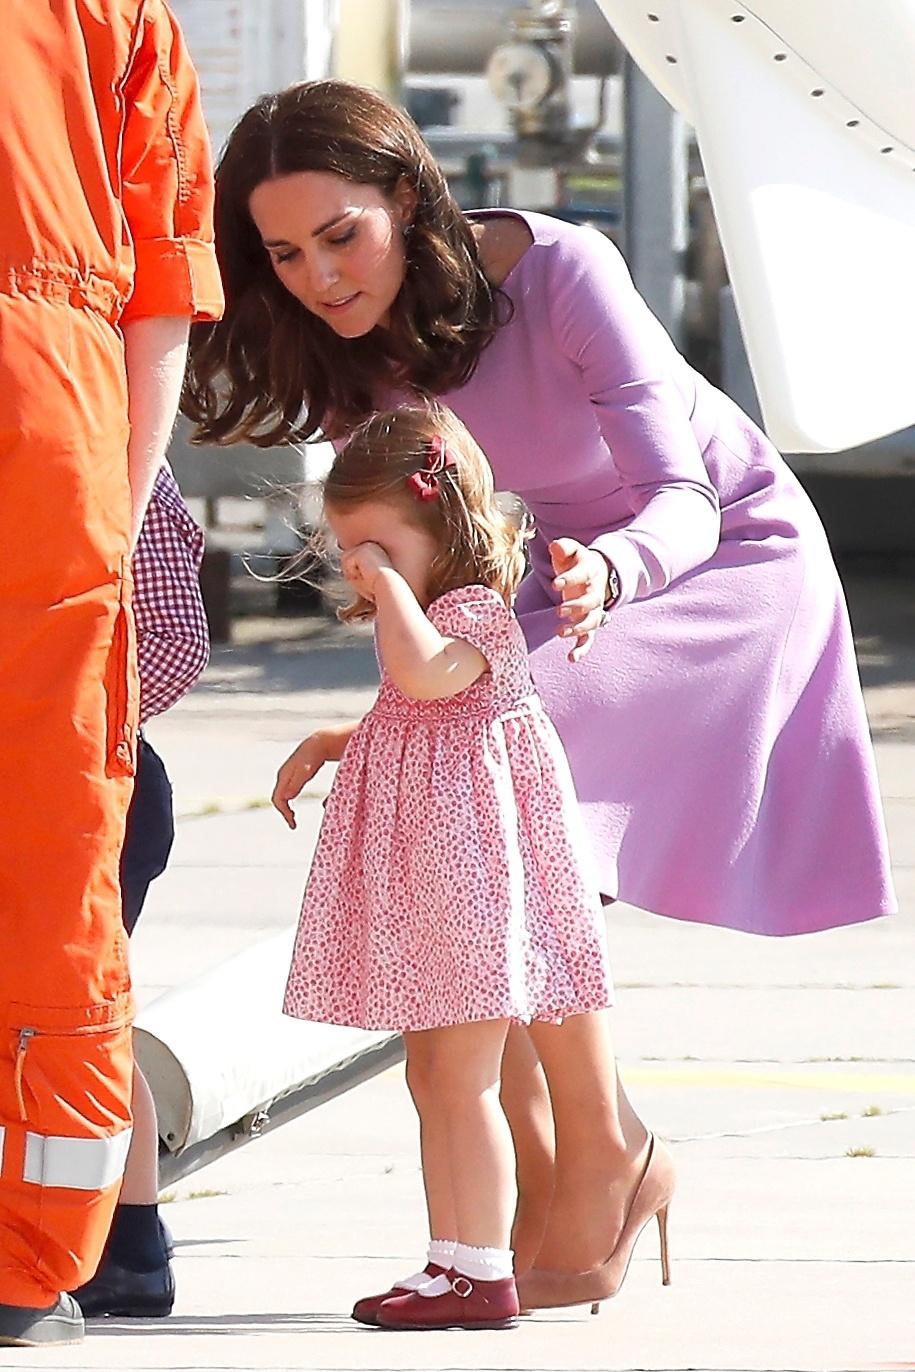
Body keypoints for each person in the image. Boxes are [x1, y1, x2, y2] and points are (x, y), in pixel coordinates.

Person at [182, 78, 895, 1310]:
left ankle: (602, 1148)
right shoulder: (360, 346)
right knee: (476, 829)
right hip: (549, 584)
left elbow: (683, 493)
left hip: (714, 557)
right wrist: (390, 723)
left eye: (341, 235)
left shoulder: (563, 269)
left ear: (410, 196)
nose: (319, 278)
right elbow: (439, 567)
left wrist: (611, 568)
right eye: (285, 254)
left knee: (504, 817)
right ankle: (576, 1162)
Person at [273, 405, 667, 1331]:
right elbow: (414, 719)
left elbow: (426, 678)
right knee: (431, 1078)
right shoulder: (423, 617)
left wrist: (390, 596)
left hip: (474, 889)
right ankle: (450, 1258)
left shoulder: (476, 613)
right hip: (430, 887)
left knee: (463, 1077)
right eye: (345, 547)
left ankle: (482, 1267)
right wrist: (336, 740)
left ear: (440, 527)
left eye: (373, 543)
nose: (357, 565)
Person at [0, 1, 222, 1348]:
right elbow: (161, 304)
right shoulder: (117, 12)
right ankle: (35, 1258)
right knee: (51, 862)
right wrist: (108, 516)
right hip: (59, 437)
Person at [72, 464, 210, 1320]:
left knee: (79, 1011)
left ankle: (126, 1244)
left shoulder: (121, 444)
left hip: (95, 777)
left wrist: (71, 716)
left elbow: (173, 639)